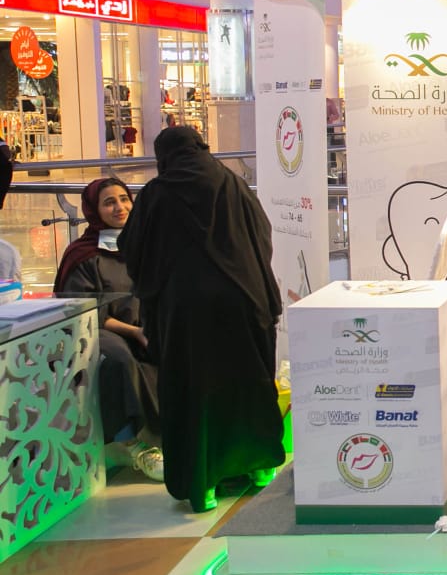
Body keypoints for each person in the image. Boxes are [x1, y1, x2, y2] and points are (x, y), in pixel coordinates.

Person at [119, 126, 284, 512]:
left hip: (186, 312)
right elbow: (262, 235)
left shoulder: (158, 193)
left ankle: (203, 483)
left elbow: (132, 248)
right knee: (247, 383)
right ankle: (259, 467)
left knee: (194, 391)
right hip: (244, 300)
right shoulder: (232, 183)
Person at [53, 178, 162, 481]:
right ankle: (133, 445)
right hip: (100, 329)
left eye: (124, 199)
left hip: (144, 326)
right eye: (109, 202)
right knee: (120, 361)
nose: (120, 207)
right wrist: (135, 332)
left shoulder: (144, 245)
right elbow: (84, 309)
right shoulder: (83, 255)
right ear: (93, 210)